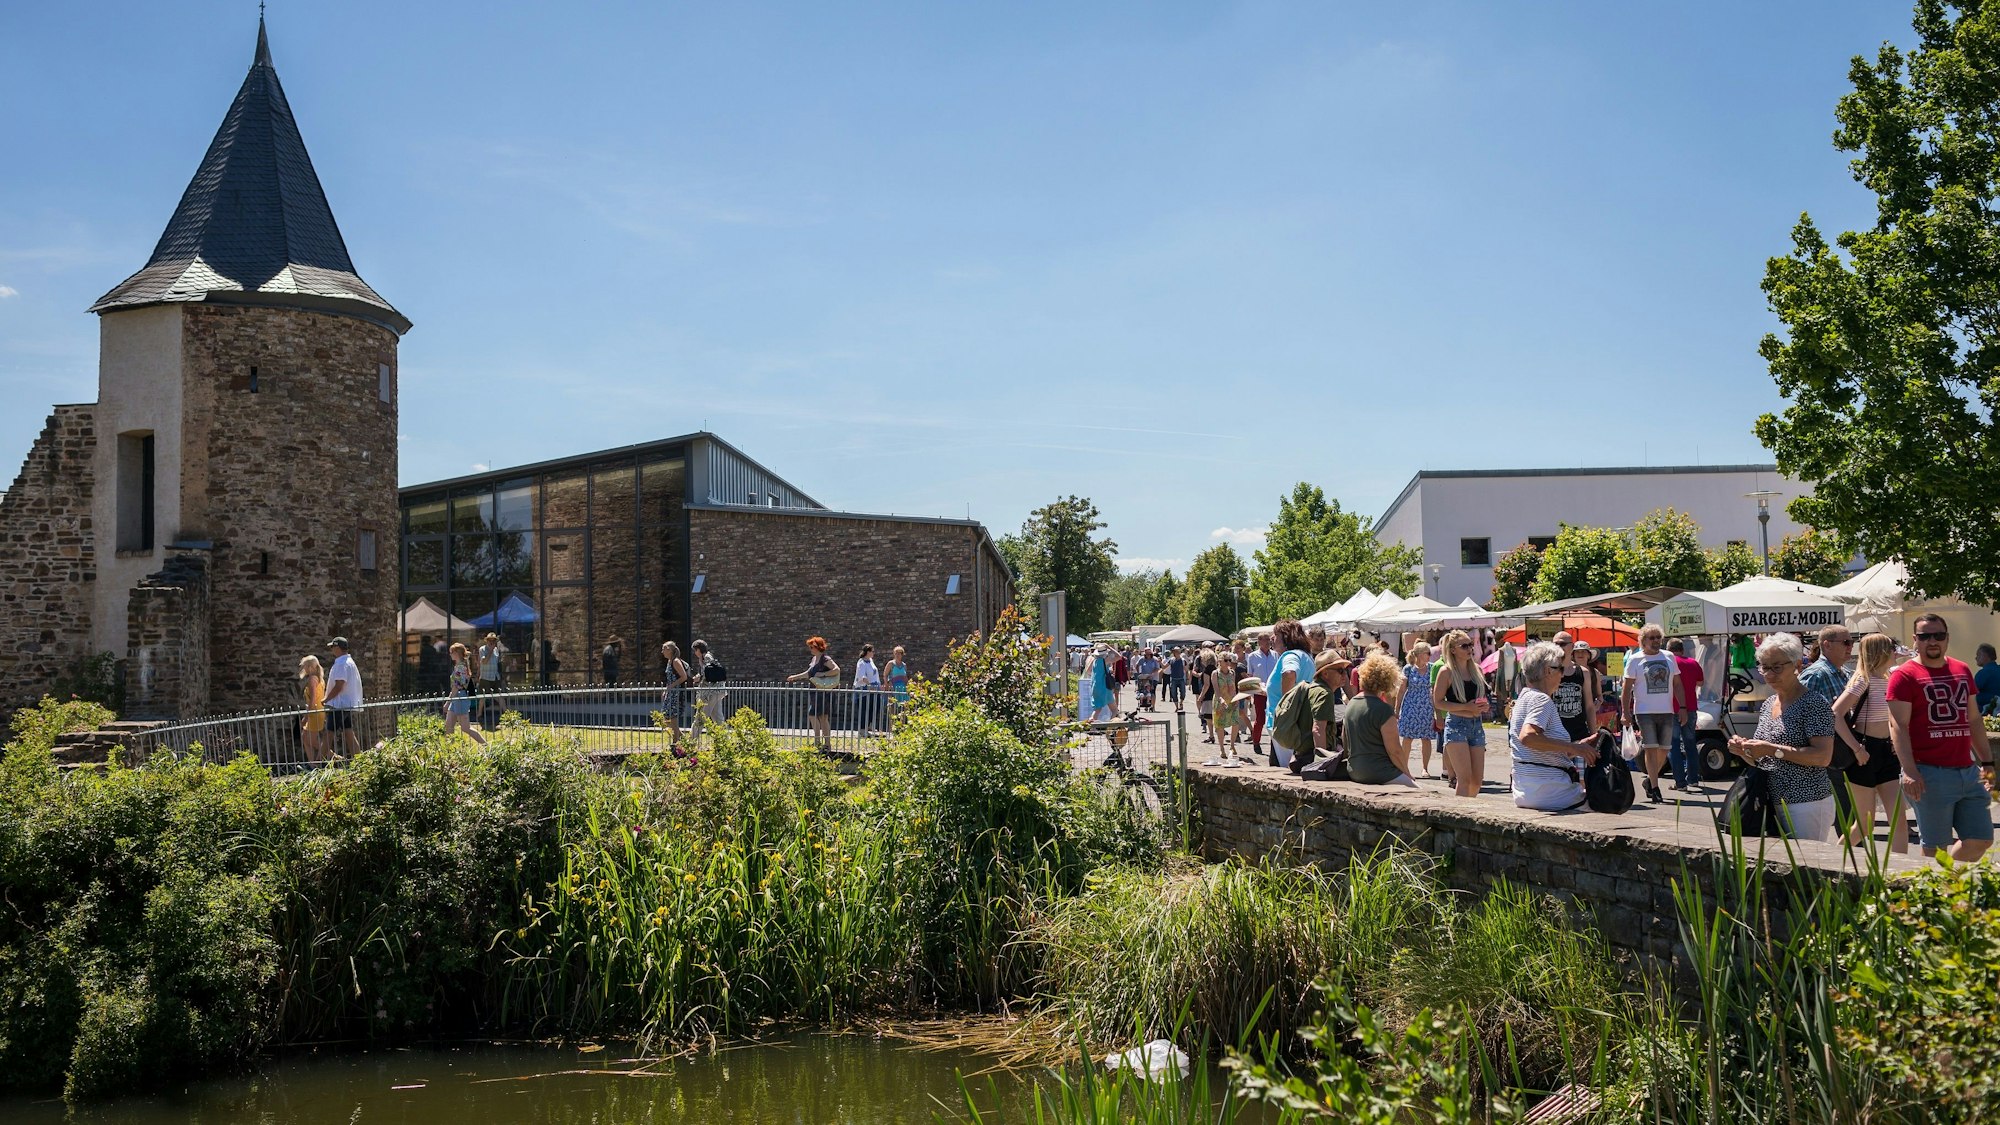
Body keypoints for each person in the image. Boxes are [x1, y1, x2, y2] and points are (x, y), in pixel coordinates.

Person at [1888, 613, 1996, 861]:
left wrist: (1988, 762)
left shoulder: (1961, 669)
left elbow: (1974, 719)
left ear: (1947, 638)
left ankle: (1948, 880)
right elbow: (1898, 727)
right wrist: (1910, 771)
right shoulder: (1904, 675)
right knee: (1935, 847)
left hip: (1968, 770)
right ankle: (1935, 894)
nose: (1932, 641)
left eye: (1938, 635)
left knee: (1981, 839)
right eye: (1925, 636)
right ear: (1915, 640)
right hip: (1928, 773)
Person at [1726, 633, 1837, 841]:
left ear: (1797, 665)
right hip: (1771, 800)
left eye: (1776, 667)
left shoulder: (1813, 704)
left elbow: (1823, 757)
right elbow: (1761, 760)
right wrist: (1744, 750)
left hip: (1806, 802)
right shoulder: (1769, 704)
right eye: (1764, 667)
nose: (1769, 674)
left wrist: (1769, 749)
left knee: (1806, 869)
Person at [1831, 632, 1908, 853]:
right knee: (1865, 825)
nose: (1895, 652)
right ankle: (1835, 861)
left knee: (1899, 820)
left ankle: (1901, 877)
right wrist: (1857, 748)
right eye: (1891, 648)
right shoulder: (1862, 680)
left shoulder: (1888, 678)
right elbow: (1835, 714)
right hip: (1865, 752)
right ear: (1880, 652)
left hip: (1887, 751)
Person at [1510, 641, 1589, 811]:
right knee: (1611, 803)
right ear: (1548, 671)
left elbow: (1537, 749)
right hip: (1550, 792)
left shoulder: (1524, 698)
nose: (1562, 674)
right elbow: (1528, 737)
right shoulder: (1541, 699)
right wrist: (1575, 749)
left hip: (1526, 791)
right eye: (1560, 668)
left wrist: (1576, 747)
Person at [1800, 624, 1857, 828]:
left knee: (1852, 815)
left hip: (1846, 753)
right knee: (1846, 816)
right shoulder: (1815, 674)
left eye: (1851, 642)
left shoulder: (1846, 673)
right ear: (1827, 645)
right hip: (1829, 755)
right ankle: (1850, 856)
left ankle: (1852, 855)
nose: (1850, 647)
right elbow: (1801, 714)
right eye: (1845, 642)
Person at [1621, 624, 1683, 804]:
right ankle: (1656, 789)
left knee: (1665, 749)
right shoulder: (1635, 659)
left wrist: (1683, 708)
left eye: (1658, 637)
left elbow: (1677, 684)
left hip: (1667, 710)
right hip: (1644, 711)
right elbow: (1626, 690)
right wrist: (1625, 712)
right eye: (1652, 638)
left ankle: (1650, 780)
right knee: (1651, 747)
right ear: (1643, 641)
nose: (1656, 641)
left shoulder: (1670, 656)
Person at [1431, 629, 1489, 798]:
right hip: (1457, 725)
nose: (1470, 648)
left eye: (1471, 644)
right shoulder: (1446, 672)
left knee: (1477, 780)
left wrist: (1482, 706)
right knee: (1464, 778)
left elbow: (1479, 698)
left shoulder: (1477, 670)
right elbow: (1438, 701)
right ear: (1453, 649)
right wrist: (1466, 708)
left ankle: (1470, 811)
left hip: (1476, 725)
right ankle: (1462, 816)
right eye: (1464, 646)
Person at [1346, 654, 1416, 787]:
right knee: (1420, 792)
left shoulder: (1351, 704)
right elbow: (1394, 750)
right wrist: (1408, 774)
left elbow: (1347, 745)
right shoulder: (1383, 710)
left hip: (1354, 770)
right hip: (1380, 771)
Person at [785, 636, 840, 751]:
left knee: (822, 717)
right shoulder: (814, 659)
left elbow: (836, 670)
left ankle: (826, 744)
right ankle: (818, 741)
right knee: (813, 715)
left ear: (818, 647)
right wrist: (795, 677)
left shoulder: (825, 659)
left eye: (812, 647)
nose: (810, 649)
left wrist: (823, 674)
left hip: (824, 692)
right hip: (815, 692)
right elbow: (808, 674)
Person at [1666, 638, 1706, 792]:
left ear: (1669, 650)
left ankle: (1680, 783)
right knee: (1690, 744)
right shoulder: (1693, 663)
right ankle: (1693, 780)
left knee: (1674, 746)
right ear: (1682, 649)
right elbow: (1701, 683)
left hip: (1672, 708)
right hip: (1690, 707)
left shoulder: (1669, 663)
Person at [1398, 641, 1437, 778]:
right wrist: (1397, 710)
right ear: (1420, 654)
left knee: (1426, 739)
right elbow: (1402, 690)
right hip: (1410, 707)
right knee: (1407, 738)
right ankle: (1403, 767)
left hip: (1427, 708)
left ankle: (1425, 768)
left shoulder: (1432, 668)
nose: (1430, 656)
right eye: (1428, 653)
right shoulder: (1408, 669)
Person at [1550, 633, 1595, 746]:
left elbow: (1589, 706)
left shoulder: (1583, 672)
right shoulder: (1548, 671)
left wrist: (1593, 734)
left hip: (1579, 734)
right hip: (1554, 735)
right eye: (1556, 644)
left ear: (1572, 646)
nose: (1559, 647)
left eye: (1563, 644)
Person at [323, 637, 363, 759]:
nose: (331, 650)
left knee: (328, 734)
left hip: (339, 704)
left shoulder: (341, 664)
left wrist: (326, 699)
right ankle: (360, 761)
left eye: (332, 647)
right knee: (348, 732)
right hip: (346, 703)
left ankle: (316, 763)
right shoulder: (349, 662)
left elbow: (339, 685)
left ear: (337, 648)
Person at [442, 642, 487, 745]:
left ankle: (485, 745)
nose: (450, 654)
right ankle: (449, 751)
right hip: (456, 698)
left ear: (456, 653)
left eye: (451, 652)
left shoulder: (460, 667)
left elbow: (456, 687)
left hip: (460, 698)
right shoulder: (459, 666)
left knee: (466, 728)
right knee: (449, 726)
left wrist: (448, 702)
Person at [1212, 653, 1248, 762]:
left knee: (1235, 722)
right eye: (1226, 660)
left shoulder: (1232, 673)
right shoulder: (1215, 673)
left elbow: (1234, 688)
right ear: (1220, 661)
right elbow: (1216, 689)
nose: (1229, 663)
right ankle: (1222, 748)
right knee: (1220, 725)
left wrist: (1237, 698)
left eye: (1229, 660)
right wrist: (1221, 699)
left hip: (1232, 700)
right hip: (1220, 701)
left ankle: (1232, 745)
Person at [1245, 633, 1277, 750]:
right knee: (1260, 719)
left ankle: (1275, 743)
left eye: (1269, 640)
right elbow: (1250, 676)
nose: (1269, 642)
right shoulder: (1253, 656)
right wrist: (1251, 693)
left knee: (1275, 718)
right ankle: (1256, 742)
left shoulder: (1275, 655)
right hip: (1259, 693)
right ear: (1259, 642)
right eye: (1266, 640)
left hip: (1273, 692)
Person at [659, 641, 692, 749]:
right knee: (665, 718)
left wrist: (671, 687)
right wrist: (667, 690)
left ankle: (675, 743)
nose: (662, 651)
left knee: (673, 717)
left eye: (664, 649)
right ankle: (683, 740)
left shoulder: (675, 661)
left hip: (676, 693)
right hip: (671, 692)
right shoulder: (669, 661)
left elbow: (683, 677)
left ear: (670, 650)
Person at [690, 639, 725, 735]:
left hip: (710, 693)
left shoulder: (707, 657)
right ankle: (725, 742)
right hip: (717, 691)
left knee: (700, 717)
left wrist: (699, 678)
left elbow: (709, 673)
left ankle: (690, 743)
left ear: (698, 650)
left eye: (695, 650)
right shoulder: (705, 658)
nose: (695, 653)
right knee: (718, 718)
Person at [298, 655, 328, 763]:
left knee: (312, 740)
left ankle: (333, 756)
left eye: (305, 666)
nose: (304, 669)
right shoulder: (320, 679)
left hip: (314, 712)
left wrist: (306, 717)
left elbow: (313, 700)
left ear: (310, 667)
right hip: (318, 711)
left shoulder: (312, 679)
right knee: (305, 738)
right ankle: (312, 764)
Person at [477, 632, 506, 729]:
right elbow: (483, 662)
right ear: (487, 641)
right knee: (483, 697)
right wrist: (490, 651)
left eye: (493, 640)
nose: (491, 642)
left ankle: (507, 715)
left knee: (499, 696)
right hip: (485, 677)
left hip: (495, 676)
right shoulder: (482, 649)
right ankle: (479, 715)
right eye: (490, 640)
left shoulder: (496, 650)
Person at [854, 643, 884, 732]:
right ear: (868, 652)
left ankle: (870, 725)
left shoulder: (871, 660)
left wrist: (878, 685)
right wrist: (869, 684)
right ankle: (863, 728)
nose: (873, 653)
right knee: (865, 708)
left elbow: (875, 674)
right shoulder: (861, 662)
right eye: (872, 651)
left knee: (875, 706)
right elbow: (862, 675)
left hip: (875, 688)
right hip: (865, 689)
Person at [1082, 644, 1116, 722]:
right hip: (1105, 686)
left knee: (1097, 710)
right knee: (1114, 710)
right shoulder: (1106, 660)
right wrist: (1110, 648)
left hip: (1095, 685)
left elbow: (1088, 671)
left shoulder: (1094, 660)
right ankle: (1111, 727)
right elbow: (1119, 656)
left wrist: (1098, 674)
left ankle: (1092, 725)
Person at [884, 645, 911, 727]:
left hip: (902, 688)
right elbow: (885, 675)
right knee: (892, 709)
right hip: (894, 688)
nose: (897, 655)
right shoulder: (891, 664)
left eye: (899, 653)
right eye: (896, 653)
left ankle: (901, 727)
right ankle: (892, 728)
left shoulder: (904, 665)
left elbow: (905, 677)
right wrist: (887, 685)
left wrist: (909, 686)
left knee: (904, 708)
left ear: (902, 654)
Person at [1975, 643, 2000, 716]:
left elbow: (1970, 692)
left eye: (1978, 655)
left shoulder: (1983, 673)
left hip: (1988, 714)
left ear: (1985, 656)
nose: (1976, 658)